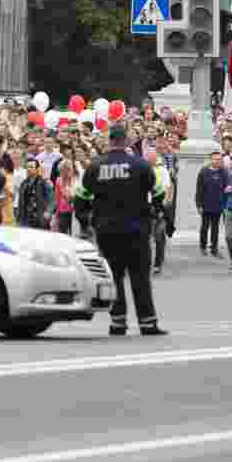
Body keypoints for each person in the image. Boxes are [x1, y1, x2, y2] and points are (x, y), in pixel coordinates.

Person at [75, 123, 168, 336]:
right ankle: (147, 323)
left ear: (110, 141)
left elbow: (80, 197)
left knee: (114, 277)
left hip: (107, 230)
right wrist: (155, 212)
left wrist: (87, 219)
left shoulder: (95, 166)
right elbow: (159, 193)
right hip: (137, 229)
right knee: (140, 277)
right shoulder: (141, 166)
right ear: (126, 141)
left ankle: (118, 322)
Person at [195, 151, 228, 257]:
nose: (217, 161)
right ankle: (203, 247)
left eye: (219, 159)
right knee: (204, 226)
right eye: (215, 159)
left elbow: (227, 187)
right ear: (210, 160)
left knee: (215, 227)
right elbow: (199, 189)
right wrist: (199, 205)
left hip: (218, 204)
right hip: (205, 204)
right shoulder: (203, 172)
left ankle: (214, 248)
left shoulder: (224, 172)